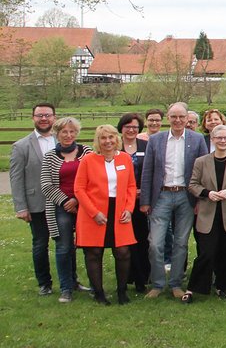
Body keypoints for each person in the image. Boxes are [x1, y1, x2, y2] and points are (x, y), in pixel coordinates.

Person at [140, 103, 208, 299]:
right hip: (161, 195)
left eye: (181, 117)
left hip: (186, 196)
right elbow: (147, 172)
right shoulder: (156, 140)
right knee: (155, 243)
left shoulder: (196, 140)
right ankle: (158, 283)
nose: (178, 120)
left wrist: (199, 199)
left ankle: (176, 283)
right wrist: (145, 200)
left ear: (187, 119)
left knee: (181, 242)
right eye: (173, 117)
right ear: (167, 118)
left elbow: (202, 171)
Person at [183, 125, 226, 303]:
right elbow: (193, 184)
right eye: (219, 138)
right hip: (208, 212)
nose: (222, 141)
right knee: (206, 252)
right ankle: (193, 289)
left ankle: (223, 286)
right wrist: (207, 193)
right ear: (212, 139)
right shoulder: (201, 161)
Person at [73, 125, 137, 305]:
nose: (107, 141)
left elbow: (132, 186)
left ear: (116, 139)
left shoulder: (124, 158)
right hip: (93, 211)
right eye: (103, 138)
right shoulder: (88, 160)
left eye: (111, 137)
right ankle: (99, 293)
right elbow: (79, 189)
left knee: (123, 252)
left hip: (119, 210)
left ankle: (122, 292)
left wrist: (129, 209)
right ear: (98, 141)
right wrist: (94, 212)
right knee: (94, 252)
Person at [40, 117, 90, 302]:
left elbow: (94, 178)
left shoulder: (87, 152)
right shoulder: (50, 156)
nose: (68, 135)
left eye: (72, 132)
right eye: (64, 132)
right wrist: (66, 201)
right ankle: (66, 288)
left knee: (90, 247)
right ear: (57, 134)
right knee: (64, 247)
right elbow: (46, 185)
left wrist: (77, 200)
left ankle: (91, 284)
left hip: (85, 206)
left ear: (76, 133)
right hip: (61, 208)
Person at [10, 103, 57, 296]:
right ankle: (44, 283)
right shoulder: (21, 146)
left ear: (54, 117)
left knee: (66, 244)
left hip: (62, 202)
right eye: (39, 115)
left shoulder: (61, 141)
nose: (44, 118)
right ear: (33, 118)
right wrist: (21, 207)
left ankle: (71, 280)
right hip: (36, 203)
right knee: (40, 243)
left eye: (47, 115)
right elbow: (16, 177)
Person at [116, 113, 150, 293]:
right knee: (123, 242)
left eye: (135, 127)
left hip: (141, 201)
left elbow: (151, 170)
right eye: (127, 126)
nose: (131, 130)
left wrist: (143, 192)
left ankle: (141, 278)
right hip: (120, 201)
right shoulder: (113, 145)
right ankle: (125, 276)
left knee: (142, 239)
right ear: (121, 128)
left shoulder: (146, 145)